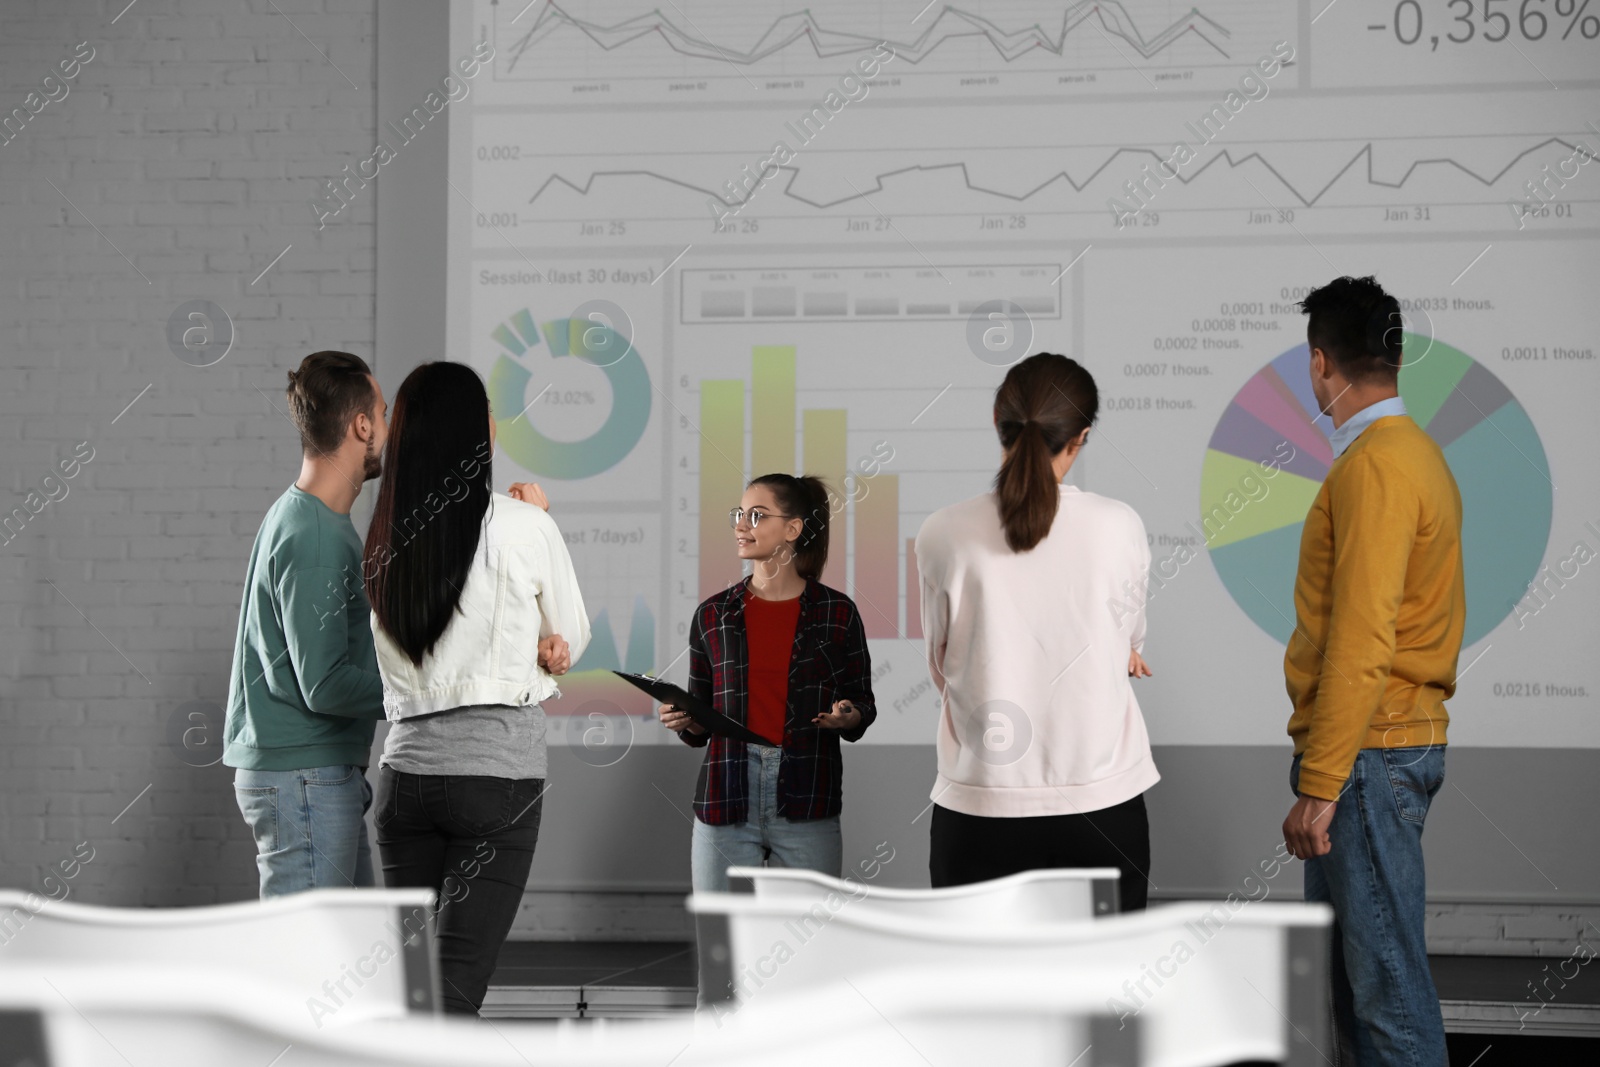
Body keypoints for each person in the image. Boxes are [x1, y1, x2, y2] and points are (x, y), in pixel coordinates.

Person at [364, 361, 589, 1016]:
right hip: (496, 779)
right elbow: (568, 637)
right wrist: (541, 518)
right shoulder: (524, 525)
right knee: (455, 996)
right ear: (479, 431)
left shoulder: (382, 537)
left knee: (411, 994)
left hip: (404, 778)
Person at [1282, 276, 1463, 1066]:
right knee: (1355, 997)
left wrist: (1321, 784)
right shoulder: (1412, 454)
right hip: (1373, 752)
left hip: (1368, 756)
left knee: (1386, 998)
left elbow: (1361, 639)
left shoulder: (1375, 467)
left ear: (1320, 363)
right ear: (1393, 356)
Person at [915, 352, 1158, 911]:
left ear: (997, 420)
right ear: (1080, 438)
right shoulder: (1120, 524)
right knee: (1103, 992)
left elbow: (942, 661)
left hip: (979, 807)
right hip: (1102, 808)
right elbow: (1129, 638)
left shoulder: (942, 532)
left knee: (987, 993)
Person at [658, 474, 877, 893]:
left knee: (810, 950)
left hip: (808, 796)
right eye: (739, 514)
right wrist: (685, 718)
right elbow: (700, 718)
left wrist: (848, 716)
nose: (741, 525)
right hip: (726, 797)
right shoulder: (712, 614)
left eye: (756, 516)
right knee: (723, 950)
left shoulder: (838, 612)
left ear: (793, 529)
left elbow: (862, 701)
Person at [224, 351, 390, 898]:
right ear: (361, 425)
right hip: (305, 780)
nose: (388, 431)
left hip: (312, 777)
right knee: (308, 969)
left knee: (354, 963)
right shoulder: (316, 536)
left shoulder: (306, 518)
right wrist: (419, 688)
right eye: (383, 415)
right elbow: (324, 684)